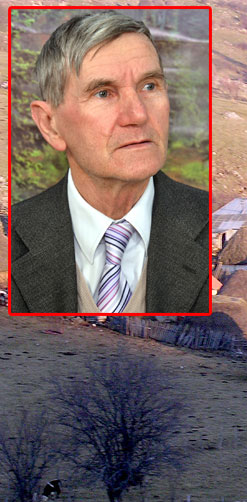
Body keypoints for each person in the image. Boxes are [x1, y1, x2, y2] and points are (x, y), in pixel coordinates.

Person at [9, 10, 209, 313]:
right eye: (103, 93)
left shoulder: (207, 225)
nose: (138, 114)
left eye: (150, 86)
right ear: (50, 125)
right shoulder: (17, 235)